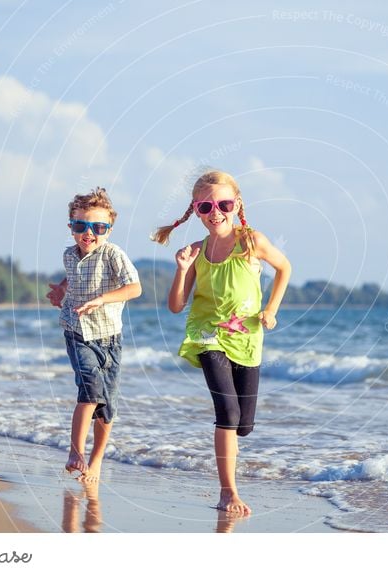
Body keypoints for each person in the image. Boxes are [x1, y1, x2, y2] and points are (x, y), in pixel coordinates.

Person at [152, 170, 291, 515]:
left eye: (223, 204)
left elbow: (284, 268)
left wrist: (271, 310)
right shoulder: (196, 252)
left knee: (243, 425)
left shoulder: (251, 242)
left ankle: (232, 451)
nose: (216, 212)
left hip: (247, 339)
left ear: (237, 204)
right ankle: (228, 491)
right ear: (196, 210)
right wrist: (182, 270)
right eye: (206, 206)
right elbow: (175, 306)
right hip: (207, 334)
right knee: (226, 413)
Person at [47, 187, 141, 483]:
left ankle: (96, 461)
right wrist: (62, 289)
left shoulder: (113, 254)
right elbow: (73, 275)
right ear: (72, 228)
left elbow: (134, 288)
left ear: (108, 230)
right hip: (76, 331)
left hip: (109, 337)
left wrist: (102, 299)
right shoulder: (69, 255)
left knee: (107, 405)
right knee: (90, 389)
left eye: (98, 227)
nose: (89, 233)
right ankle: (76, 452)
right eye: (81, 226)